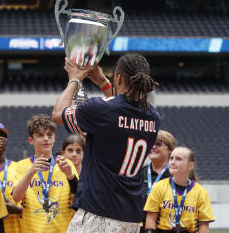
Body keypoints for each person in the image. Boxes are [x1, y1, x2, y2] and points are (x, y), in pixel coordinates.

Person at [52, 53, 160, 232]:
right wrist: (104, 83)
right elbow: (118, 112)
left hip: (100, 211)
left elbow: (58, 114)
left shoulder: (102, 109)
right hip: (131, 217)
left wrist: (74, 79)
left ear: (118, 77)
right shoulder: (153, 116)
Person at [11, 114, 79, 233]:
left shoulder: (66, 164)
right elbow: (16, 197)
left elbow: (79, 196)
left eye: (49, 135)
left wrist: (70, 176)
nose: (46, 138)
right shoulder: (21, 166)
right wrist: (31, 172)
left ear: (54, 138)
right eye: (40, 135)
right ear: (31, 140)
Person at [144, 147, 215, 233]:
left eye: (178, 159)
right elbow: (151, 218)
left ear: (190, 165)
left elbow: (204, 225)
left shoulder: (201, 193)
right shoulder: (159, 187)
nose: (173, 162)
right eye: (171, 158)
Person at [140, 130, 176, 232]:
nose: (153, 147)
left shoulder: (178, 176)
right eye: (150, 143)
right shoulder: (138, 174)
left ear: (170, 149)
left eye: (158, 144)